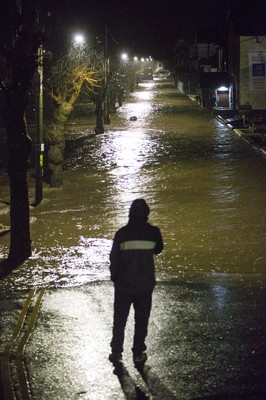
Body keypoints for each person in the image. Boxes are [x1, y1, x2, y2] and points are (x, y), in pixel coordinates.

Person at [109, 199, 164, 364]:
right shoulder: (153, 232)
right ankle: (138, 352)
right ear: (147, 214)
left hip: (124, 284)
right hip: (145, 284)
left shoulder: (122, 233)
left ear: (130, 213)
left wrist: (115, 277)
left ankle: (117, 352)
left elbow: (114, 257)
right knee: (141, 319)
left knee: (120, 319)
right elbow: (159, 249)